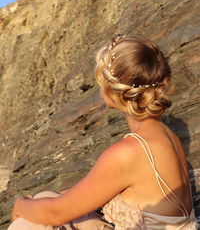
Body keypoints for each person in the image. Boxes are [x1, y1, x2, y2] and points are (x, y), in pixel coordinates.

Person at [8, 35, 198, 230]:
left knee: (25, 225)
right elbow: (95, 190)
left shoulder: (129, 152)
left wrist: (21, 204)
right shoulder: (165, 134)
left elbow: (55, 214)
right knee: (45, 198)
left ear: (111, 91)